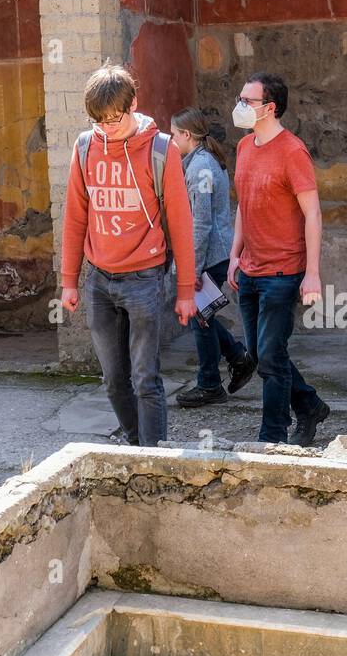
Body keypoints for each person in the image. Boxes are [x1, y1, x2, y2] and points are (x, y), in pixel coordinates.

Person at [60, 64, 197, 446]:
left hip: (144, 280)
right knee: (113, 379)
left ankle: (154, 457)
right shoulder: (86, 147)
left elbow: (181, 223)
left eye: (115, 119)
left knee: (145, 378)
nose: (107, 127)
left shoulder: (161, 149)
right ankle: (136, 448)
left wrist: (186, 290)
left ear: (134, 104)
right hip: (99, 280)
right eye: (99, 120)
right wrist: (69, 280)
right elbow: (75, 215)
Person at [226, 72, 330, 446]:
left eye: (247, 101)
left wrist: (313, 274)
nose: (239, 106)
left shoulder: (292, 151)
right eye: (240, 98)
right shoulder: (244, 147)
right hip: (251, 268)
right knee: (260, 352)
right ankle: (309, 404)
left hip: (284, 271)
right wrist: (234, 254)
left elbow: (313, 214)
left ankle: (272, 436)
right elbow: (244, 205)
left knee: (270, 356)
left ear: (270, 108)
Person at [169, 107, 256, 407]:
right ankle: (237, 357)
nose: (171, 140)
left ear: (187, 135)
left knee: (200, 319)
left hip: (210, 256)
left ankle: (210, 385)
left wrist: (191, 267)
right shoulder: (200, 162)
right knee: (201, 316)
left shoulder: (200, 168)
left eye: (174, 135)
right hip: (213, 254)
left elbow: (201, 222)